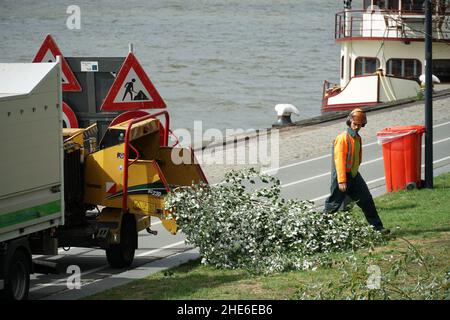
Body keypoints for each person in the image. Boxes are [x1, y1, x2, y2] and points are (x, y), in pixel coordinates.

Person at [324, 108, 390, 235]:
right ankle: (320, 229)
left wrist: (353, 175)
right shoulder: (342, 138)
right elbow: (339, 160)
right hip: (342, 176)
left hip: (354, 175)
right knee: (333, 204)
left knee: (367, 200)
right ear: (349, 122)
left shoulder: (357, 138)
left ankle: (378, 228)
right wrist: (342, 180)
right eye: (355, 124)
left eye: (360, 125)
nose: (357, 127)